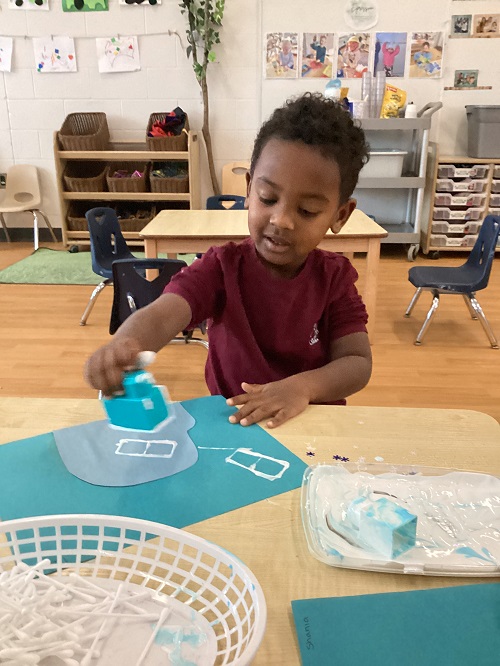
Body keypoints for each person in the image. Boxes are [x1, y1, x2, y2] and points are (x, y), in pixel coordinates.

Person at [85, 93, 372, 429]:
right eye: (268, 198)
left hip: (312, 423)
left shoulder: (334, 279)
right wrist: (123, 347)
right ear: (249, 190)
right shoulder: (221, 268)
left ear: (340, 215)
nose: (281, 220)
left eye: (307, 210)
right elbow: (164, 315)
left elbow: (357, 362)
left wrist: (302, 387)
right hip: (236, 423)